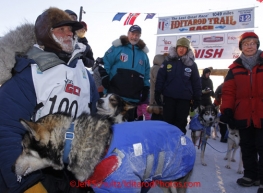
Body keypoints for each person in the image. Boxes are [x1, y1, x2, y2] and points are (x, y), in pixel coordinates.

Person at [0, 7, 99, 193]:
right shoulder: (27, 73)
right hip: (35, 172)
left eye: (70, 29)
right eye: (60, 29)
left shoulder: (85, 76)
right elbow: (6, 130)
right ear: (45, 33)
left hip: (71, 173)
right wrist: (26, 184)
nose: (68, 33)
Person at [220, 32, 263, 192]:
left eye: (252, 43)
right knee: (247, 146)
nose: (249, 46)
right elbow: (229, 91)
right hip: (243, 114)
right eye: (246, 43)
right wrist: (227, 110)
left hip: (261, 112)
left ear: (257, 45)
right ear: (241, 47)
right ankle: (250, 175)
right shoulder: (234, 68)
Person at [99, 25, 150, 121]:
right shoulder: (118, 47)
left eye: (137, 35)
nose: (134, 37)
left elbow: (146, 75)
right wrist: (105, 76)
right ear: (128, 34)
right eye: (132, 34)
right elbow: (105, 62)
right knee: (110, 127)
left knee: (128, 129)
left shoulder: (143, 55)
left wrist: (146, 88)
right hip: (114, 98)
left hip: (132, 100)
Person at [155, 37, 202, 134]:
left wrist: (197, 98)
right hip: (169, 98)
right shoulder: (168, 61)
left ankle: (179, 147)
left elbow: (196, 82)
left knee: (180, 124)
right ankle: (167, 146)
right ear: (176, 48)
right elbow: (160, 78)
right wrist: (157, 92)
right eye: (179, 47)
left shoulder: (192, 65)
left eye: (184, 47)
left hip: (184, 100)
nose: (181, 49)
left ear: (187, 49)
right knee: (167, 123)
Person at [149, 54, 166, 120]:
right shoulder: (157, 68)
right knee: (157, 116)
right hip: (157, 97)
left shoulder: (154, 67)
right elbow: (157, 81)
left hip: (154, 96)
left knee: (156, 116)